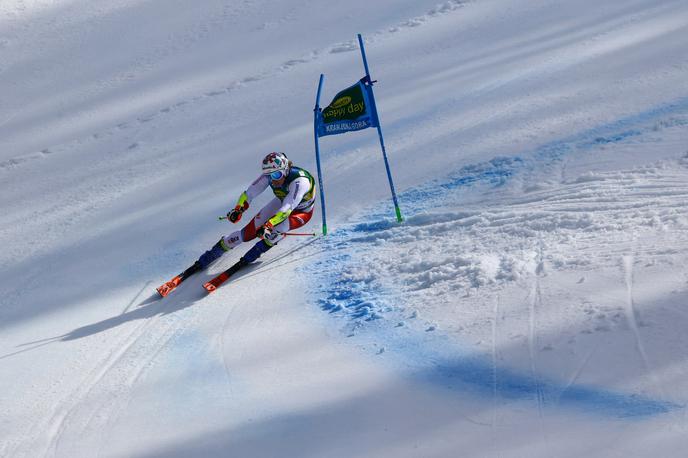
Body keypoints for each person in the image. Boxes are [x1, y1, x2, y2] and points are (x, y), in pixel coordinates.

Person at [156, 151, 316, 297]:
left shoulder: (299, 182)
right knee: (247, 233)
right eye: (270, 176)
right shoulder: (269, 176)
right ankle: (213, 253)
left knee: (275, 231)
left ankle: (255, 252)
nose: (274, 180)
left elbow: (287, 209)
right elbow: (249, 193)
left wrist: (269, 224)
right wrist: (238, 209)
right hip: (282, 203)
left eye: (277, 175)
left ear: (286, 169)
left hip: (301, 212)